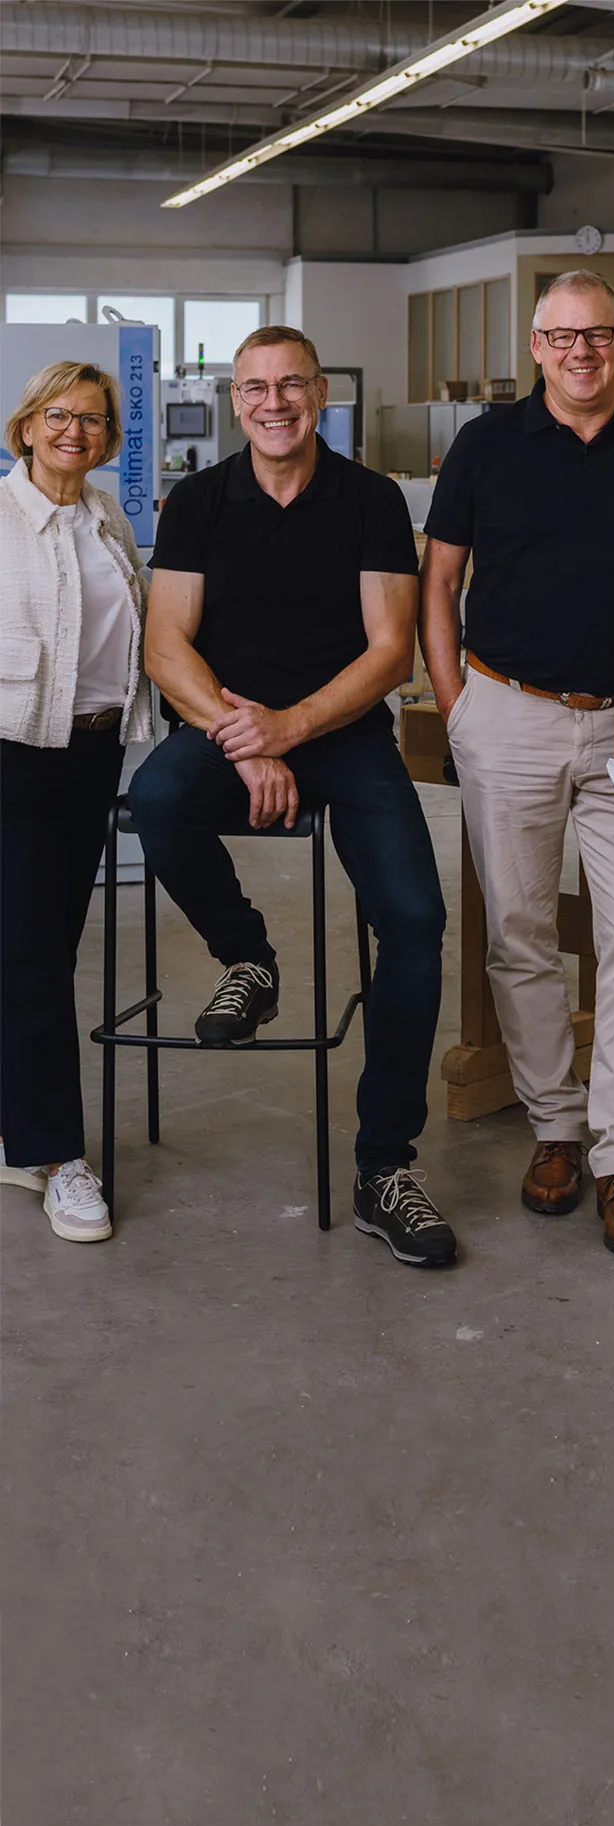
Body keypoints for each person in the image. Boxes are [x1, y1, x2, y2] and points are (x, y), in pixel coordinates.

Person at [127, 325, 456, 1268]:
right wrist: (244, 735)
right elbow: (166, 645)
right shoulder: (198, 501)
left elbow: (390, 650)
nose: (274, 403)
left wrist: (291, 729)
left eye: (292, 385)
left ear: (321, 394)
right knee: (158, 799)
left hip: (343, 736)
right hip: (227, 729)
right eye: (255, 387)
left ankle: (383, 1166)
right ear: (235, 401)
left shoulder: (370, 499)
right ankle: (248, 957)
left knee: (417, 916)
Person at [420, 270, 614, 1257]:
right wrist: (459, 705)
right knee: (519, 932)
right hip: (509, 713)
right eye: (561, 336)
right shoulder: (486, 443)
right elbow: (442, 578)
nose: (580, 351)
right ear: (536, 349)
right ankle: (555, 1123)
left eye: (598, 334)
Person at [0, 360, 151, 1242]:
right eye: (58, 416)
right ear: (26, 426)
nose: (74, 433)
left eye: (92, 421)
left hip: (91, 752)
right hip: (13, 752)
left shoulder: (105, 515)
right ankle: (59, 1157)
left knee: (45, 948)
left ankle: (18, 1125)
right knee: (28, 952)